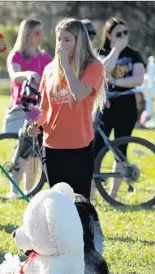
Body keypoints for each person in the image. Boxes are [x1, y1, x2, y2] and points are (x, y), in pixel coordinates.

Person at [34, 17, 106, 199]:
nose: (61, 44)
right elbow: (43, 107)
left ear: (79, 41)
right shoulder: (49, 69)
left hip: (79, 146)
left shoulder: (93, 66)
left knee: (80, 203)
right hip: (51, 145)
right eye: (59, 39)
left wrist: (66, 66)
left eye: (67, 40)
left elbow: (79, 94)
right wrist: (34, 122)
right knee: (58, 205)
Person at [94, 17, 145, 199]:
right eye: (119, 34)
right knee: (97, 147)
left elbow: (138, 78)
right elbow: (102, 70)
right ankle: (91, 192)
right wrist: (116, 49)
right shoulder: (102, 52)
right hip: (105, 106)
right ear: (109, 35)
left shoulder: (134, 55)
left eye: (126, 33)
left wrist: (115, 81)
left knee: (120, 148)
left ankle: (113, 193)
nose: (124, 37)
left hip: (126, 106)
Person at [3, 18, 53, 198]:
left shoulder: (45, 58)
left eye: (41, 32)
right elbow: (15, 76)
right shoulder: (16, 56)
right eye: (36, 33)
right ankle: (13, 190)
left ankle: (29, 190)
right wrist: (27, 75)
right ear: (27, 34)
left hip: (38, 109)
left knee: (34, 153)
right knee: (21, 150)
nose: (40, 37)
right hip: (21, 106)